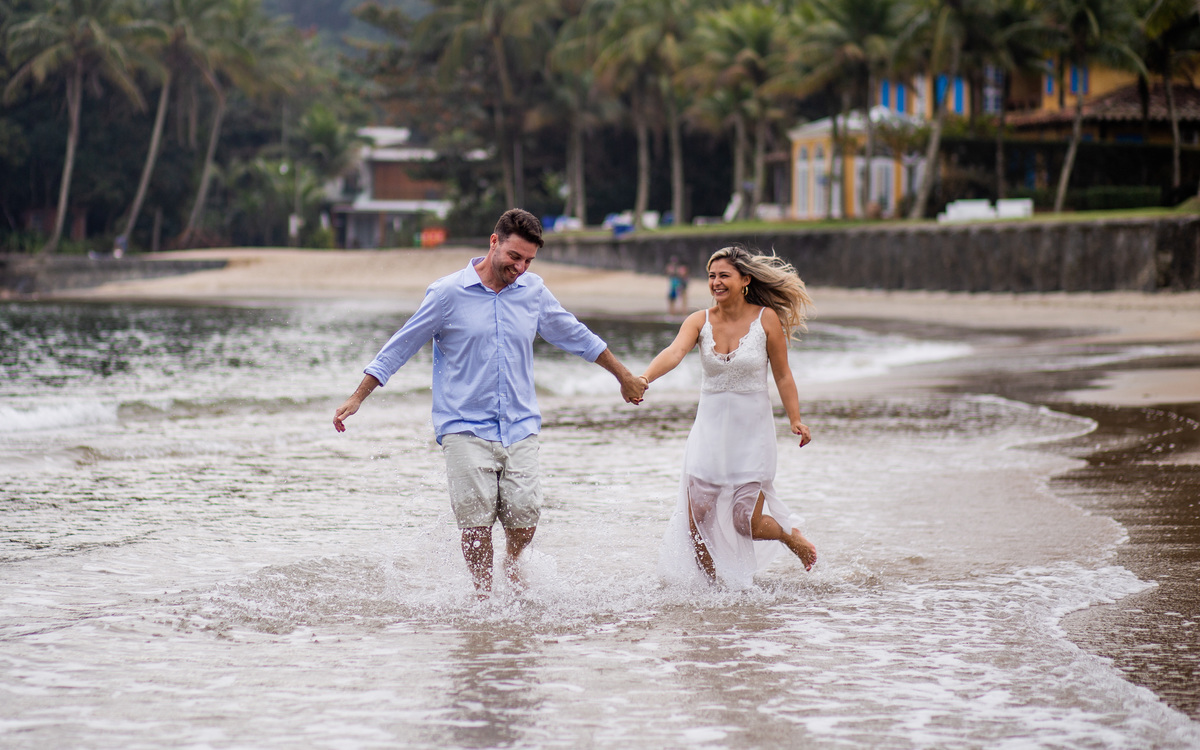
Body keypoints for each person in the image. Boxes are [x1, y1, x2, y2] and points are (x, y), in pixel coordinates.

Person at [334, 209, 647, 598]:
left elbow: (576, 335)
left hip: (520, 425)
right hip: (463, 425)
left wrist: (623, 375)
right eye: (515, 256)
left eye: (529, 260)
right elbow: (402, 344)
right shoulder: (447, 294)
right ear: (494, 242)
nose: (521, 267)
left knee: (525, 519)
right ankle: (483, 597)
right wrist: (358, 395)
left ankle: (512, 563)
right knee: (475, 524)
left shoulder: (533, 291)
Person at [639, 245, 817, 588]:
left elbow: (782, 375)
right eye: (711, 276)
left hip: (752, 435)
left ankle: (789, 536)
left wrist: (795, 418)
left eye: (724, 275)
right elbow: (674, 352)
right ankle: (714, 590)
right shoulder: (699, 321)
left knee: (744, 521)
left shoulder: (766, 319)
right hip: (709, 434)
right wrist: (645, 378)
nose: (716, 282)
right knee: (696, 519)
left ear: (745, 280)